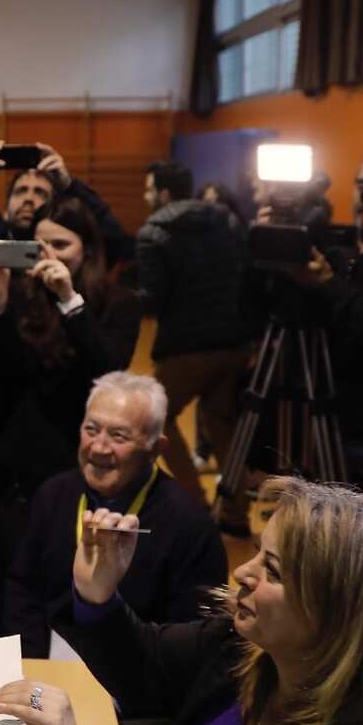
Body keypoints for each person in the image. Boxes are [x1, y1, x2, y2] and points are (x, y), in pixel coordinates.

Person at [0, 476, 363, 725]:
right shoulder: (241, 646)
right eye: (256, 551)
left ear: (338, 615)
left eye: (272, 570)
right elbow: (145, 665)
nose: (242, 573)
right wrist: (97, 594)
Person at [4, 372, 227, 658]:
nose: (98, 447)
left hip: (138, 679)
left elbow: (192, 632)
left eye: (118, 436)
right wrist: (31, 664)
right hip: (49, 668)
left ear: (156, 449)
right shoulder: (53, 494)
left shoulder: (189, 524)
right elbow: (24, 590)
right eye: (91, 429)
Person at [262, 149, 363, 513]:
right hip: (322, 428)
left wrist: (328, 284)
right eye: (362, 186)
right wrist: (272, 243)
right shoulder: (337, 249)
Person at [0, 198, 142, 523]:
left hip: (80, 452)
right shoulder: (20, 295)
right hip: (18, 455)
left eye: (61, 244)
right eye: (40, 246)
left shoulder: (119, 302)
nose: (50, 255)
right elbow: (7, 372)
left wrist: (69, 301)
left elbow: (107, 371)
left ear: (88, 250)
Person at [138, 160, 252, 529]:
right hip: (234, 343)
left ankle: (194, 505)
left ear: (164, 193)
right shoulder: (228, 221)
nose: (145, 196)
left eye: (149, 188)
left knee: (155, 419)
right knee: (222, 421)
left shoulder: (153, 231)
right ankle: (235, 513)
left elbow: (153, 301)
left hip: (185, 347)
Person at [0, 139, 127, 267]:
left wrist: (70, 186)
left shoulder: (67, 254)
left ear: (54, 206)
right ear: (6, 205)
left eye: (40, 192)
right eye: (20, 191)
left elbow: (116, 242)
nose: (29, 198)